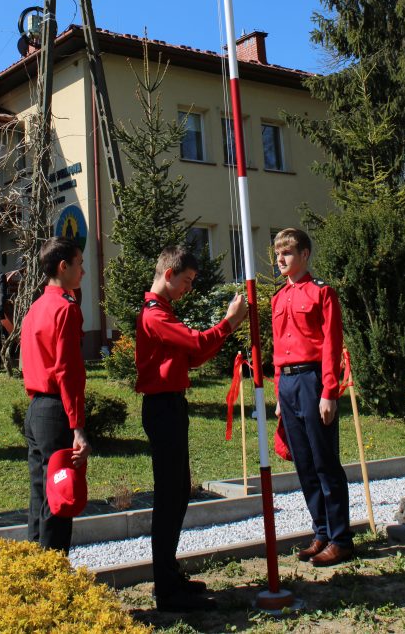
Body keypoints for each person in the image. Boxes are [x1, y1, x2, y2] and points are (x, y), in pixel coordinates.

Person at [135, 245, 248, 612]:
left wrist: (226, 328)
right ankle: (167, 590)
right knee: (170, 497)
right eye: (186, 280)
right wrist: (228, 322)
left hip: (171, 406)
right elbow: (196, 343)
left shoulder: (165, 311)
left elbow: (195, 355)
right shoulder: (155, 315)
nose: (189, 288)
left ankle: (170, 575)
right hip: (162, 407)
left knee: (178, 492)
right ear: (168, 274)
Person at [272, 228, 353, 566]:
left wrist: (329, 391)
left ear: (304, 255)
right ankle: (321, 532)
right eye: (278, 254)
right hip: (288, 384)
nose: (280, 259)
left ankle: (340, 539)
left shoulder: (322, 292)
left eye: (287, 253)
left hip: (313, 380)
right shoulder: (278, 298)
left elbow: (331, 344)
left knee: (324, 462)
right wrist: (279, 393)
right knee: (304, 463)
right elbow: (278, 348)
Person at [20, 236, 90, 552]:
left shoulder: (35, 308)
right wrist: (78, 427)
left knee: (40, 494)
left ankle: (37, 565)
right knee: (60, 496)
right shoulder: (66, 308)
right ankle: (54, 569)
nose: (83, 271)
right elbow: (69, 371)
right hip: (56, 409)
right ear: (64, 266)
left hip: (35, 409)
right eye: (79, 264)